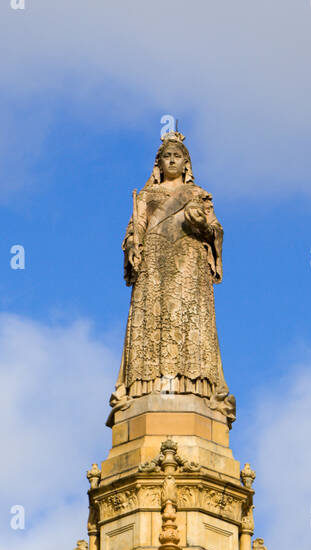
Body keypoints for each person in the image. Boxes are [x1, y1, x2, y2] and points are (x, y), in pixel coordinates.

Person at [110, 131, 234, 421]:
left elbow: (216, 231)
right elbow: (135, 228)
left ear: (186, 162)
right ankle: (146, 387)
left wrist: (202, 223)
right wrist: (132, 244)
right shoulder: (147, 195)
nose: (172, 160)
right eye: (167, 156)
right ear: (159, 163)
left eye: (177, 156)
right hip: (154, 263)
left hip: (189, 264)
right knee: (153, 318)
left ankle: (194, 388)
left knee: (187, 319)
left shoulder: (197, 194)